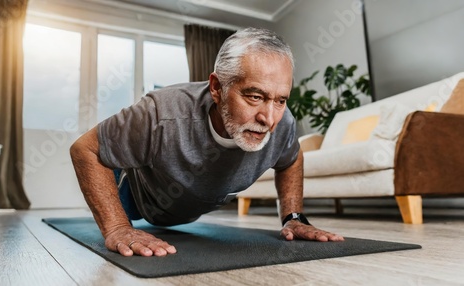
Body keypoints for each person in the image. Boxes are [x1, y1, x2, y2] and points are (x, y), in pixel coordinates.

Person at [70, 27, 344, 257]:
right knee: (110, 158)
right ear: (217, 88)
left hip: (186, 208)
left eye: (280, 100)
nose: (269, 118)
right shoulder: (160, 114)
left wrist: (293, 217)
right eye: (255, 96)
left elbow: (291, 159)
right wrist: (117, 226)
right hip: (137, 194)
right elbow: (85, 149)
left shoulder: (282, 124)